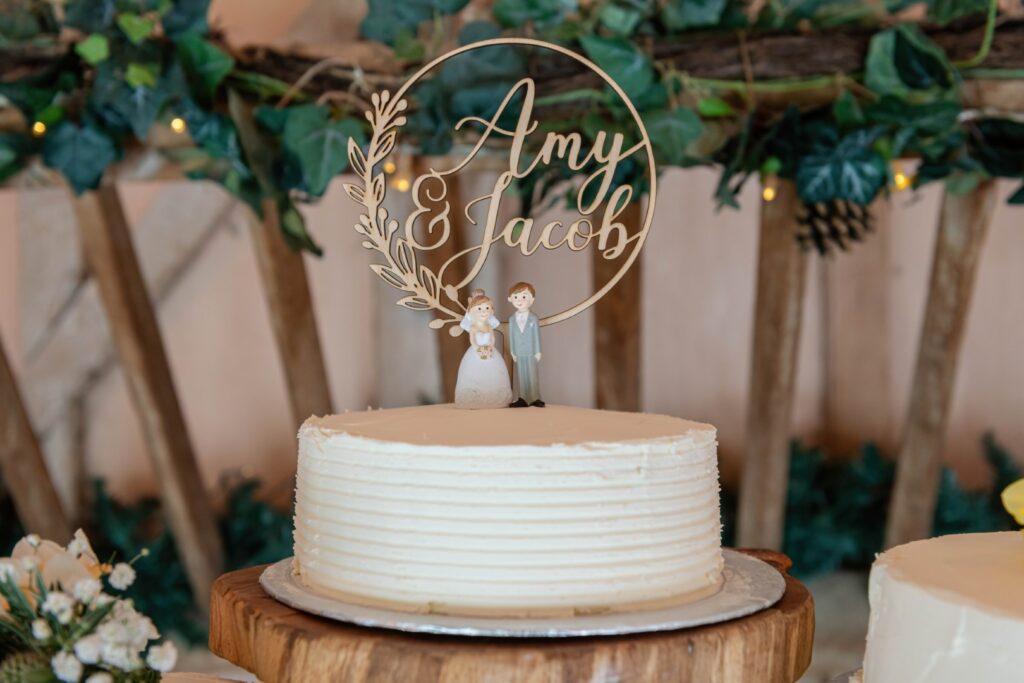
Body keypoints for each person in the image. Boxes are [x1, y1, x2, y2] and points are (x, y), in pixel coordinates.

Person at [454, 291, 513, 409]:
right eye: (479, 308)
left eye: (487, 308)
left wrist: (490, 347)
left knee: (494, 374)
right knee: (475, 373)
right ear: (472, 312)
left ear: (491, 310)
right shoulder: (473, 327)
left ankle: (495, 398)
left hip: (490, 352)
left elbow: (492, 339)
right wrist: (478, 349)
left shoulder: (489, 326)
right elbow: (473, 341)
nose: (484, 311)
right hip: (476, 352)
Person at [506, 281, 544, 408]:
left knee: (532, 374)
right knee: (521, 375)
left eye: (524, 296)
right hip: (518, 351)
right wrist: (512, 351)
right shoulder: (511, 319)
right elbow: (511, 336)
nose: (519, 300)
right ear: (510, 299)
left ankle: (534, 398)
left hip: (531, 351)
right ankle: (523, 397)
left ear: (532, 300)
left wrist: (538, 351)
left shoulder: (533, 318)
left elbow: (536, 336)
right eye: (516, 297)